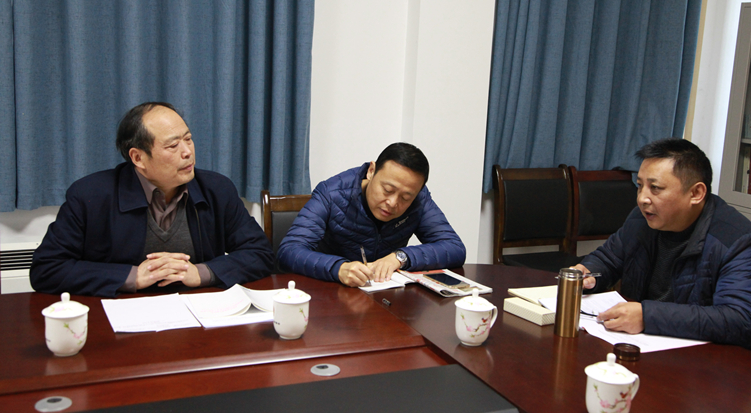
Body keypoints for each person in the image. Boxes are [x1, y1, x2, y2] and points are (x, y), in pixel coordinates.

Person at [31, 102, 274, 298]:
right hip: (121, 317)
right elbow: (47, 269)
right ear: (138, 158)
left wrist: (201, 273)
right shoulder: (90, 196)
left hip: (199, 314)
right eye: (173, 145)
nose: (187, 152)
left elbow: (260, 253)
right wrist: (131, 277)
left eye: (188, 139)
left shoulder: (216, 189)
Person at [574, 138, 751, 346]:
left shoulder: (737, 241)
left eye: (655, 188)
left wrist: (648, 317)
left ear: (696, 193)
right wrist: (589, 273)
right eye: (640, 186)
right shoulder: (641, 218)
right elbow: (609, 258)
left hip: (697, 356)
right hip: (637, 343)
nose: (642, 199)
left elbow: (741, 320)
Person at [277, 142, 466, 286]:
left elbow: (454, 247)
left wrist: (400, 257)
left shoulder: (419, 200)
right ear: (371, 171)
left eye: (405, 197)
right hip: (330, 294)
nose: (393, 203)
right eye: (387, 190)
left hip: (385, 296)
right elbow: (289, 250)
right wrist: (338, 268)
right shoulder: (332, 193)